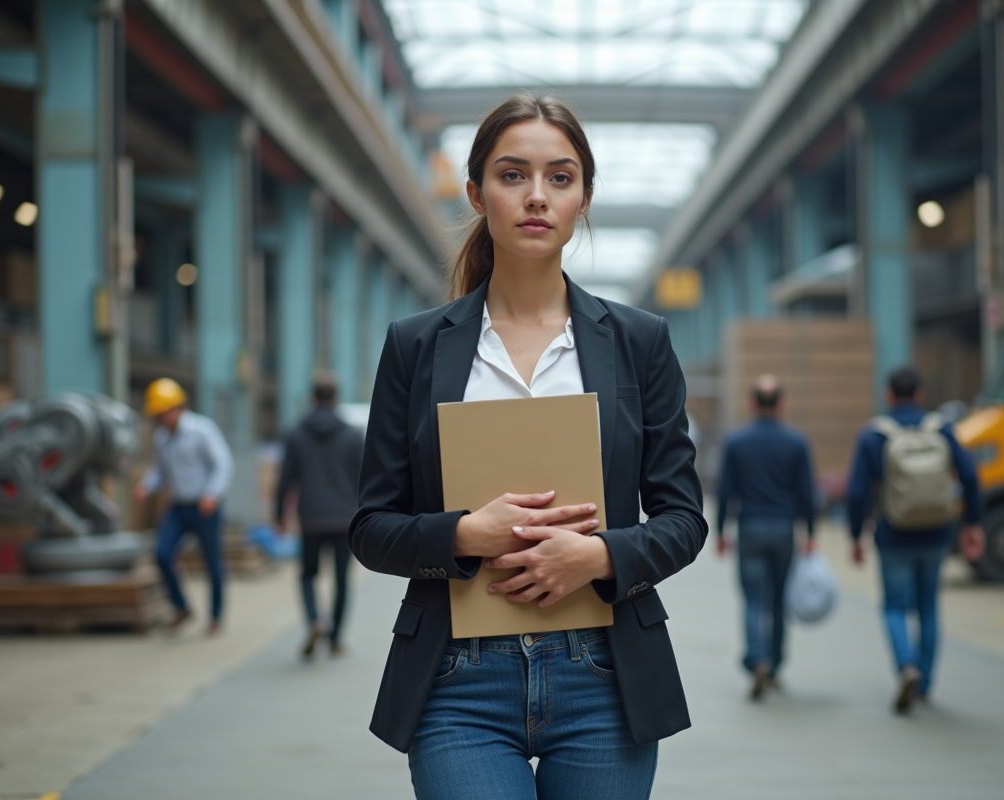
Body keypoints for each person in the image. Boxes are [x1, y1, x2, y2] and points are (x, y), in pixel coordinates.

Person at [349, 93, 707, 800]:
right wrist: (464, 534)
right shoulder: (417, 347)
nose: (536, 196)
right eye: (512, 176)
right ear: (477, 192)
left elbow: (684, 518)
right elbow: (370, 528)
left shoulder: (637, 343)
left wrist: (600, 554)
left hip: (605, 676)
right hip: (458, 682)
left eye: (560, 177)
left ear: (585, 198)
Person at [846, 366, 985, 713]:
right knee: (928, 608)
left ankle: (906, 664)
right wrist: (972, 523)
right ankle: (923, 682)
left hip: (893, 534)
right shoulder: (943, 429)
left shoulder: (873, 435)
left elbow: (856, 491)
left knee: (894, 606)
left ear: (887, 395)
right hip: (937, 533)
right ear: (920, 394)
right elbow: (970, 476)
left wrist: (855, 535)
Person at [715, 374, 816, 700]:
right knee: (777, 599)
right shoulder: (797, 442)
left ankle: (756, 658)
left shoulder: (736, 441)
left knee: (753, 599)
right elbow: (807, 493)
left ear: (752, 403)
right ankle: (773, 664)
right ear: (782, 404)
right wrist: (811, 531)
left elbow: (725, 490)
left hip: (750, 527)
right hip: (784, 528)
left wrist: (719, 530)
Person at [133, 378, 233, 635]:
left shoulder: (202, 430)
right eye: (157, 414)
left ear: (176, 408)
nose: (160, 418)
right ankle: (181, 607)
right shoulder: (161, 438)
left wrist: (212, 493)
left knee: (212, 562)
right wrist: (147, 486)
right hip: (178, 507)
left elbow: (222, 464)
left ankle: (215, 616)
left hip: (205, 506)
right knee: (162, 554)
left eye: (163, 412)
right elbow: (159, 470)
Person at [275, 372, 364, 659]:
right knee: (341, 579)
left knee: (307, 575)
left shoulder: (296, 433)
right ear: (335, 399)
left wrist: (278, 515)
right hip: (345, 518)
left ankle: (314, 619)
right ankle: (336, 637)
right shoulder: (352, 434)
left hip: (311, 517)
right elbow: (365, 479)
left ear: (313, 399)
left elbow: (286, 478)